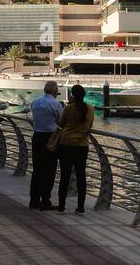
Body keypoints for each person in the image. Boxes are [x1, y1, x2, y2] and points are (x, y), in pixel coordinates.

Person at [56, 83, 94, 214]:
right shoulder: (90, 109)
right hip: (82, 145)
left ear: (72, 95)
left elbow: (61, 124)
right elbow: (90, 125)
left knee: (65, 175)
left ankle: (61, 205)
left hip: (66, 144)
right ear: (84, 95)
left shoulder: (69, 108)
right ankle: (80, 207)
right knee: (81, 175)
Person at [29, 81, 62, 210]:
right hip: (50, 138)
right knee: (49, 170)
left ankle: (34, 200)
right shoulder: (55, 104)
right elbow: (61, 120)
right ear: (55, 91)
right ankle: (45, 201)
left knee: (37, 169)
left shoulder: (35, 102)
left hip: (37, 136)